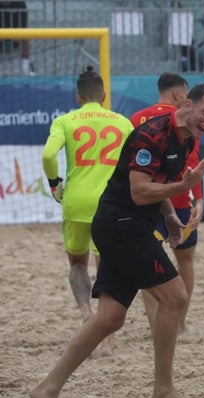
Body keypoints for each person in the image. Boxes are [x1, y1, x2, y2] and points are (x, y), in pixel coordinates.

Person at [30, 83, 204, 398]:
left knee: (110, 318)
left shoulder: (188, 138)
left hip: (127, 223)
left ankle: (47, 389)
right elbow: (138, 191)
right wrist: (182, 188)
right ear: (188, 103)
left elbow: (158, 183)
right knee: (175, 297)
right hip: (121, 224)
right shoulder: (152, 134)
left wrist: (169, 215)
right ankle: (163, 390)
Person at [41, 65, 133, 357]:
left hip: (76, 201)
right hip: (110, 202)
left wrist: (55, 184)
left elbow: (47, 155)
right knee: (107, 267)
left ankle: (85, 314)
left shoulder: (65, 120)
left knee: (77, 264)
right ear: (104, 95)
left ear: (78, 96)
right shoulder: (123, 123)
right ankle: (108, 340)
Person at [130, 72, 203, 335]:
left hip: (147, 200)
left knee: (149, 263)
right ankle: (180, 324)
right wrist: (199, 200)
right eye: (187, 93)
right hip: (180, 199)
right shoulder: (187, 122)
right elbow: (193, 167)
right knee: (186, 260)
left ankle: (155, 324)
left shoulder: (137, 118)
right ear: (177, 94)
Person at [0, 1, 32, 75]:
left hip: (15, 46)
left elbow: (23, 30)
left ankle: (25, 66)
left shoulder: (20, 4)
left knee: (26, 37)